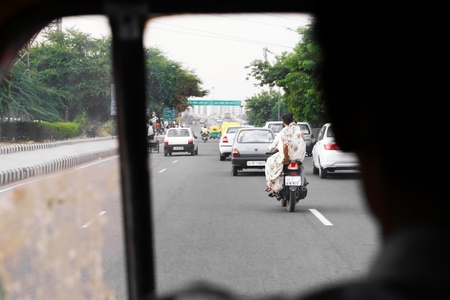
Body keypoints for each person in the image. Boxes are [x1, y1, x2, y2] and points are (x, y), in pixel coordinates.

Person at [265, 112, 307, 198]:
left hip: (287, 156)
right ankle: (302, 185)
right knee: (301, 167)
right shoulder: (299, 130)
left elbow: (284, 147)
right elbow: (303, 142)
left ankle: (274, 187)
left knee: (270, 163)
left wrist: (286, 158)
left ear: (283, 121)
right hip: (299, 158)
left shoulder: (284, 132)